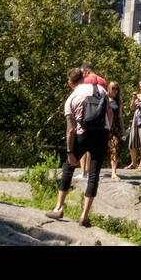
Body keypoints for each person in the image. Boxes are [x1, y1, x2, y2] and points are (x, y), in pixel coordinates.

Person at [47, 68, 107, 227]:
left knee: (68, 167)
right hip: (101, 135)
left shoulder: (71, 98)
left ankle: (59, 208)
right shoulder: (101, 89)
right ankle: (84, 216)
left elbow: (71, 129)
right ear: (84, 76)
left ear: (70, 82)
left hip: (82, 134)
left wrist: (69, 151)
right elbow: (109, 115)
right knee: (94, 174)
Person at [106, 81, 124, 180]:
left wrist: (123, 130)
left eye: (117, 88)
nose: (115, 91)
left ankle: (114, 172)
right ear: (108, 88)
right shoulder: (104, 98)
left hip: (115, 128)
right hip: (104, 128)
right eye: (113, 88)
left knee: (115, 148)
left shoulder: (118, 100)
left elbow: (120, 116)